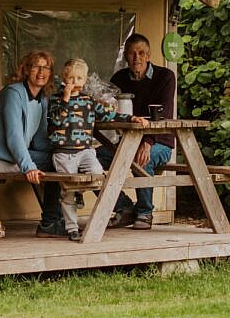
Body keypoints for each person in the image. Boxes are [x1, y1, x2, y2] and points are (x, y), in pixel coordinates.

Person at [0, 50, 67, 238]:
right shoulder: (13, 93)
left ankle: (53, 220)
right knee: (55, 163)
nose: (41, 71)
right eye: (36, 66)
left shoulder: (43, 99)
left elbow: (39, 139)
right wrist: (28, 166)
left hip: (11, 149)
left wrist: (61, 151)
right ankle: (50, 222)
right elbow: (14, 136)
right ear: (26, 69)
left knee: (58, 159)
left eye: (46, 67)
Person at [48, 58, 147, 241]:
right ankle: (72, 228)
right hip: (64, 152)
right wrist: (65, 99)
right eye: (70, 78)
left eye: (78, 78)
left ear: (84, 81)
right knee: (67, 189)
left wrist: (130, 118)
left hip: (85, 150)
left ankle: (80, 191)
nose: (74, 82)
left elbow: (108, 115)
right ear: (63, 78)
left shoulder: (88, 102)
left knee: (97, 174)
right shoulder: (55, 100)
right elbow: (56, 121)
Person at [101, 33, 176, 230]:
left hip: (160, 141)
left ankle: (144, 212)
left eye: (141, 53)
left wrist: (148, 142)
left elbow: (164, 113)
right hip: (126, 141)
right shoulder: (119, 78)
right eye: (132, 53)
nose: (137, 58)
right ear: (126, 56)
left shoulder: (165, 77)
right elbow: (111, 110)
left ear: (149, 55)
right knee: (92, 157)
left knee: (143, 158)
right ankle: (124, 207)